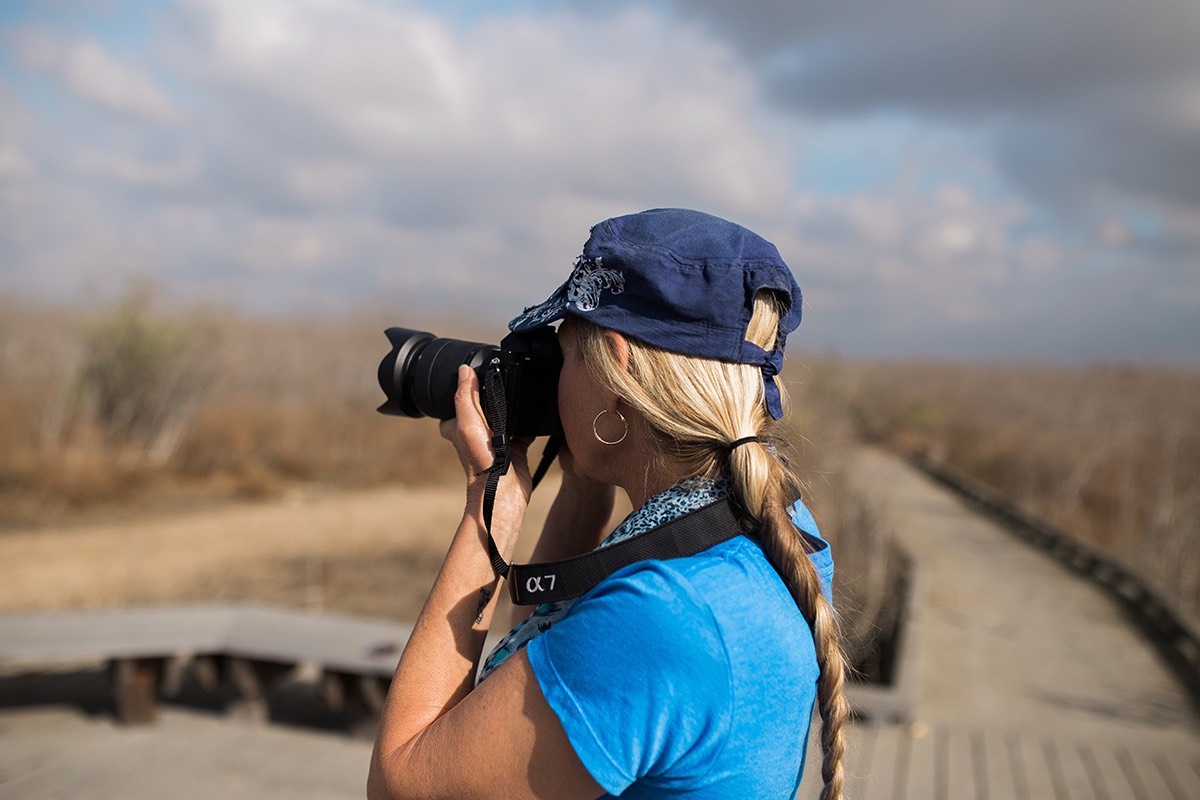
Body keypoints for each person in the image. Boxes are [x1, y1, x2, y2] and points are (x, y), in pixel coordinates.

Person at [368, 208, 849, 800]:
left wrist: (491, 503)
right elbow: (553, 655)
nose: (555, 379)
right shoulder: (773, 528)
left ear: (617, 365)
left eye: (567, 357)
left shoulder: (663, 617)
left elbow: (401, 783)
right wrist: (584, 486)